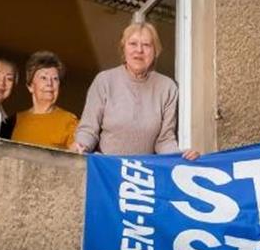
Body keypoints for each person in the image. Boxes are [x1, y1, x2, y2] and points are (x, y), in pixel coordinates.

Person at [71, 21, 199, 159]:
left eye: (146, 45)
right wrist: (80, 145)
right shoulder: (104, 80)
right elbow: (89, 129)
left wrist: (181, 158)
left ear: (155, 51)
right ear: (123, 49)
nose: (139, 50)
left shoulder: (167, 87)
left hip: (143, 173)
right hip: (108, 168)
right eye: (132, 44)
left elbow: (164, 140)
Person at [11, 51, 79, 150]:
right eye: (44, 78)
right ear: (30, 86)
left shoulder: (70, 121)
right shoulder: (14, 121)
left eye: (55, 79)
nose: (50, 84)